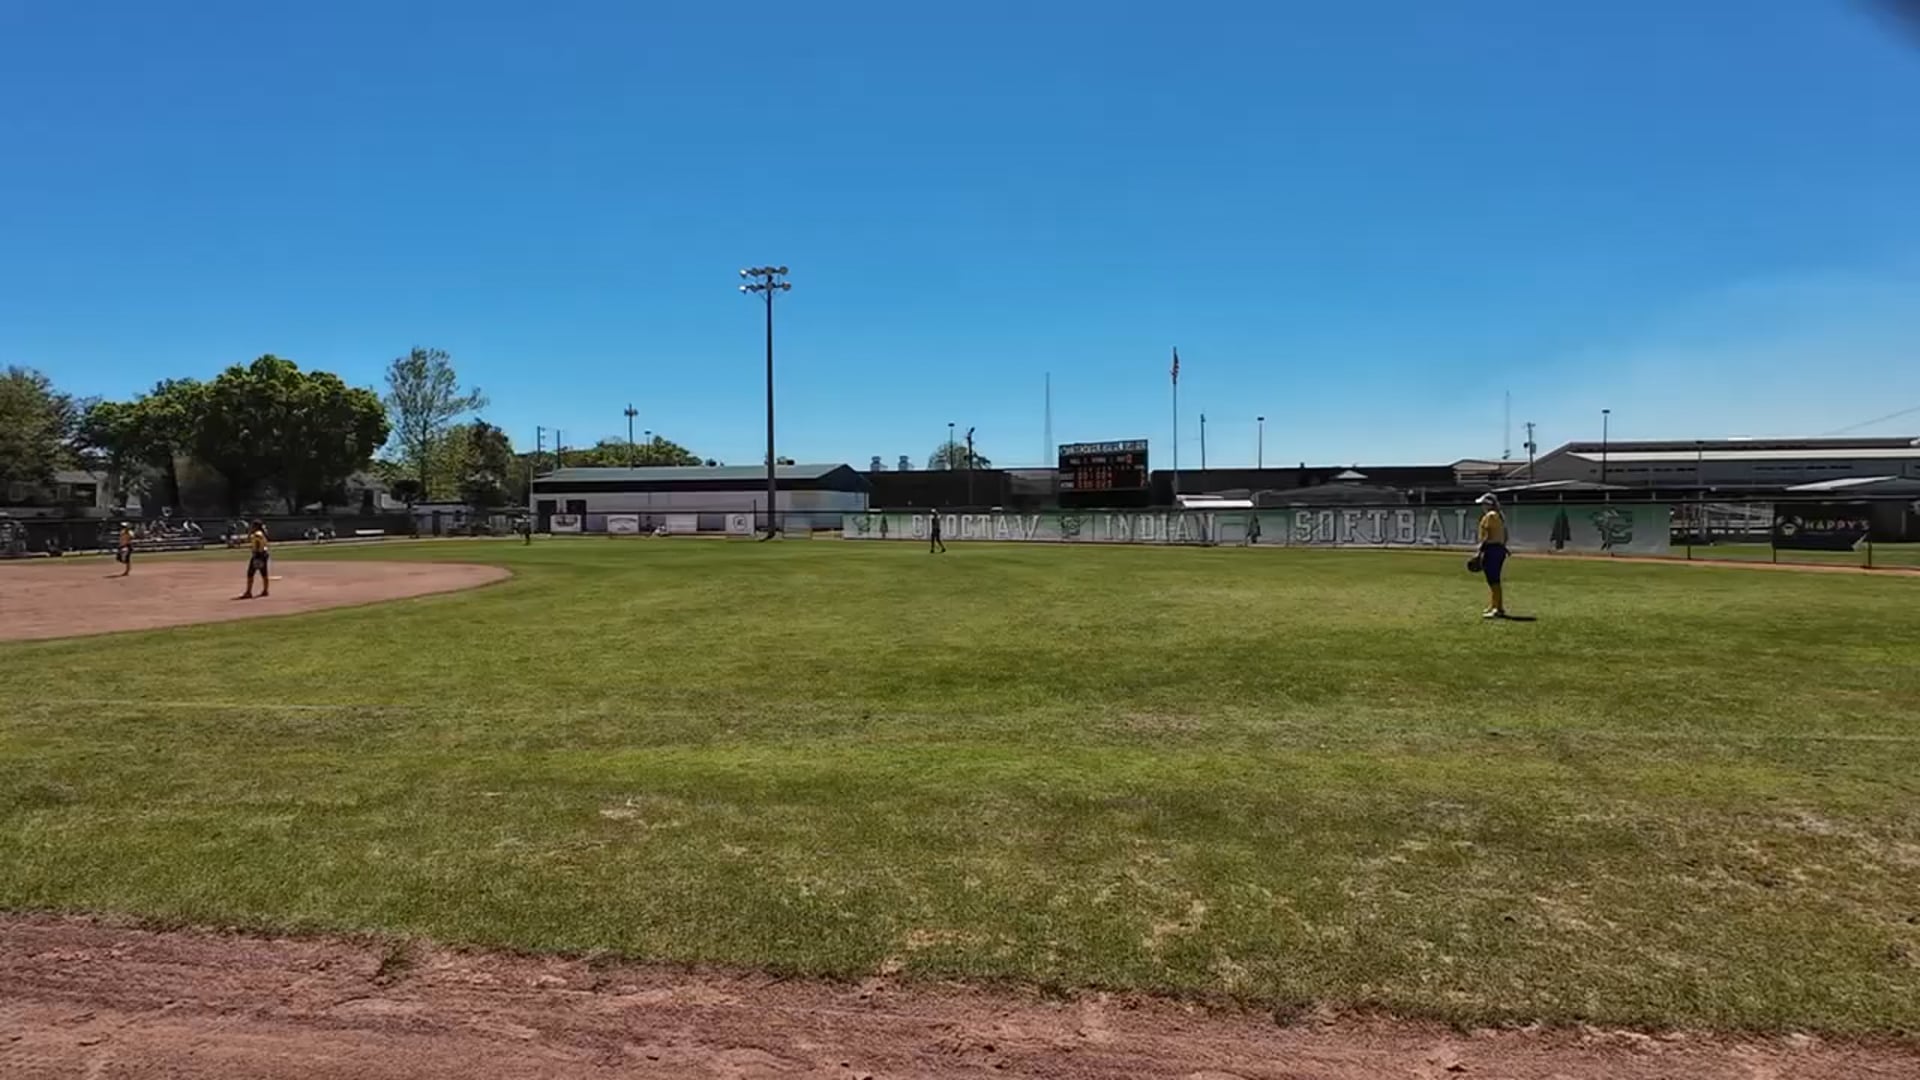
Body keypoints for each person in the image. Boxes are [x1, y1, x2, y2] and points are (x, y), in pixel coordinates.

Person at [1475, 493, 1509, 619]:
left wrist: (1480, 550)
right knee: (1493, 580)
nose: (1482, 506)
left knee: (1493, 580)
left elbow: (1487, 535)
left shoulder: (1490, 516)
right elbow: (1505, 535)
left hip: (1492, 548)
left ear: (1489, 504)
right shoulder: (1498, 515)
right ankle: (1495, 605)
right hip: (1498, 549)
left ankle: (1497, 608)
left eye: (1483, 504)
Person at [241, 520, 271, 599]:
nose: (251, 527)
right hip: (263, 554)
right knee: (264, 573)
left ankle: (248, 592)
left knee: (250, 573)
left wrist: (256, 556)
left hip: (258, 555)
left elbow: (257, 544)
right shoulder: (261, 533)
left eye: (253, 526)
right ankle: (265, 590)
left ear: (256, 526)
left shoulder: (257, 534)